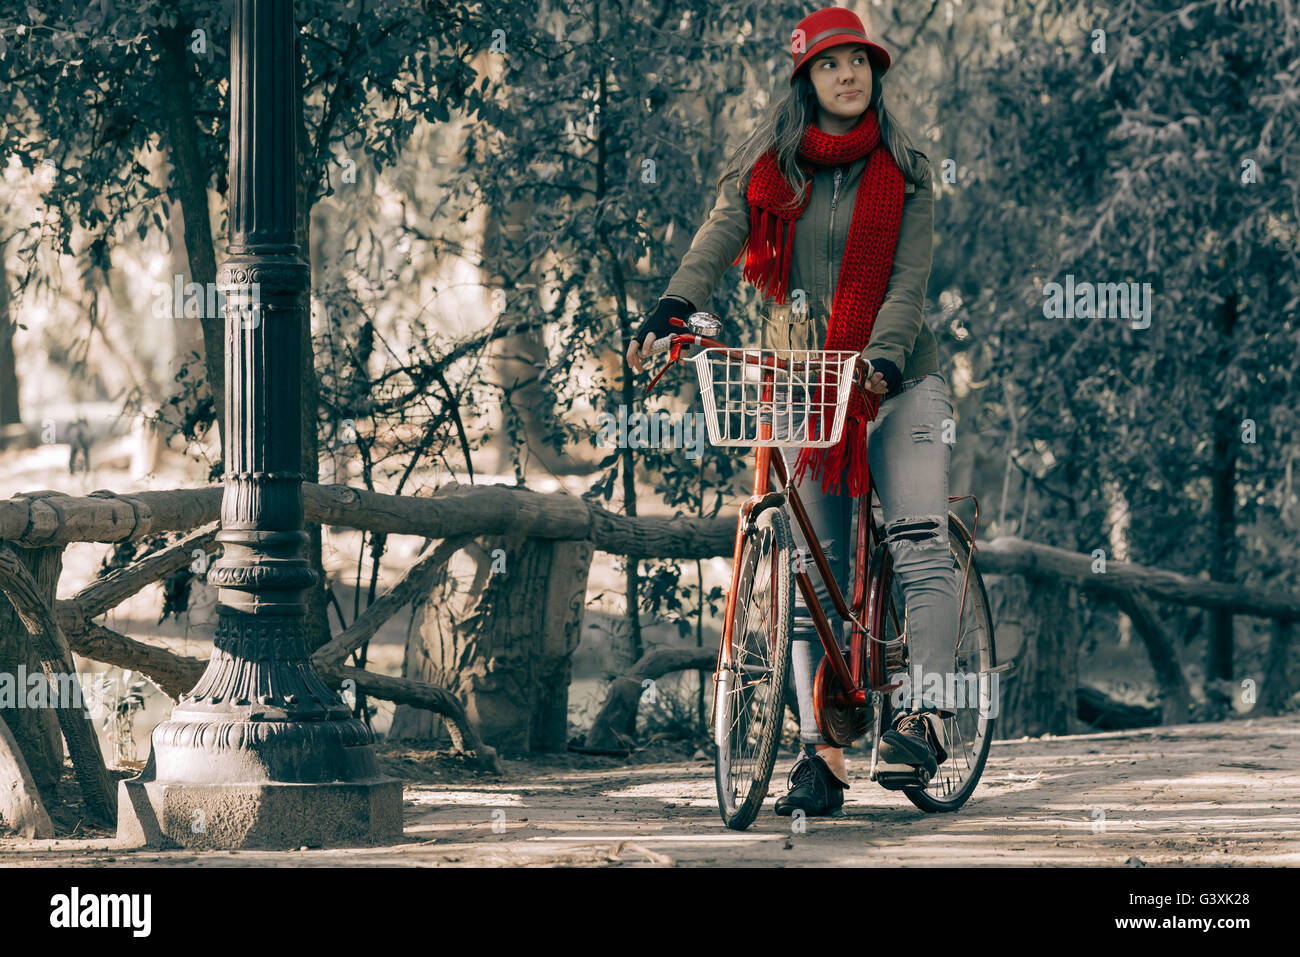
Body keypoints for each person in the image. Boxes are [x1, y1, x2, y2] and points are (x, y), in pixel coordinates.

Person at [627, 6, 960, 817]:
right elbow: (719, 234)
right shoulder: (773, 169)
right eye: (829, 65)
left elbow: (908, 287)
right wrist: (674, 302)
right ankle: (821, 754)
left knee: (919, 540)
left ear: (875, 74)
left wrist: (880, 359)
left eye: (860, 62)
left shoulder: (907, 170)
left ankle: (927, 712)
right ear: (804, 81)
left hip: (898, 382)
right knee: (808, 572)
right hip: (803, 379)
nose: (849, 75)